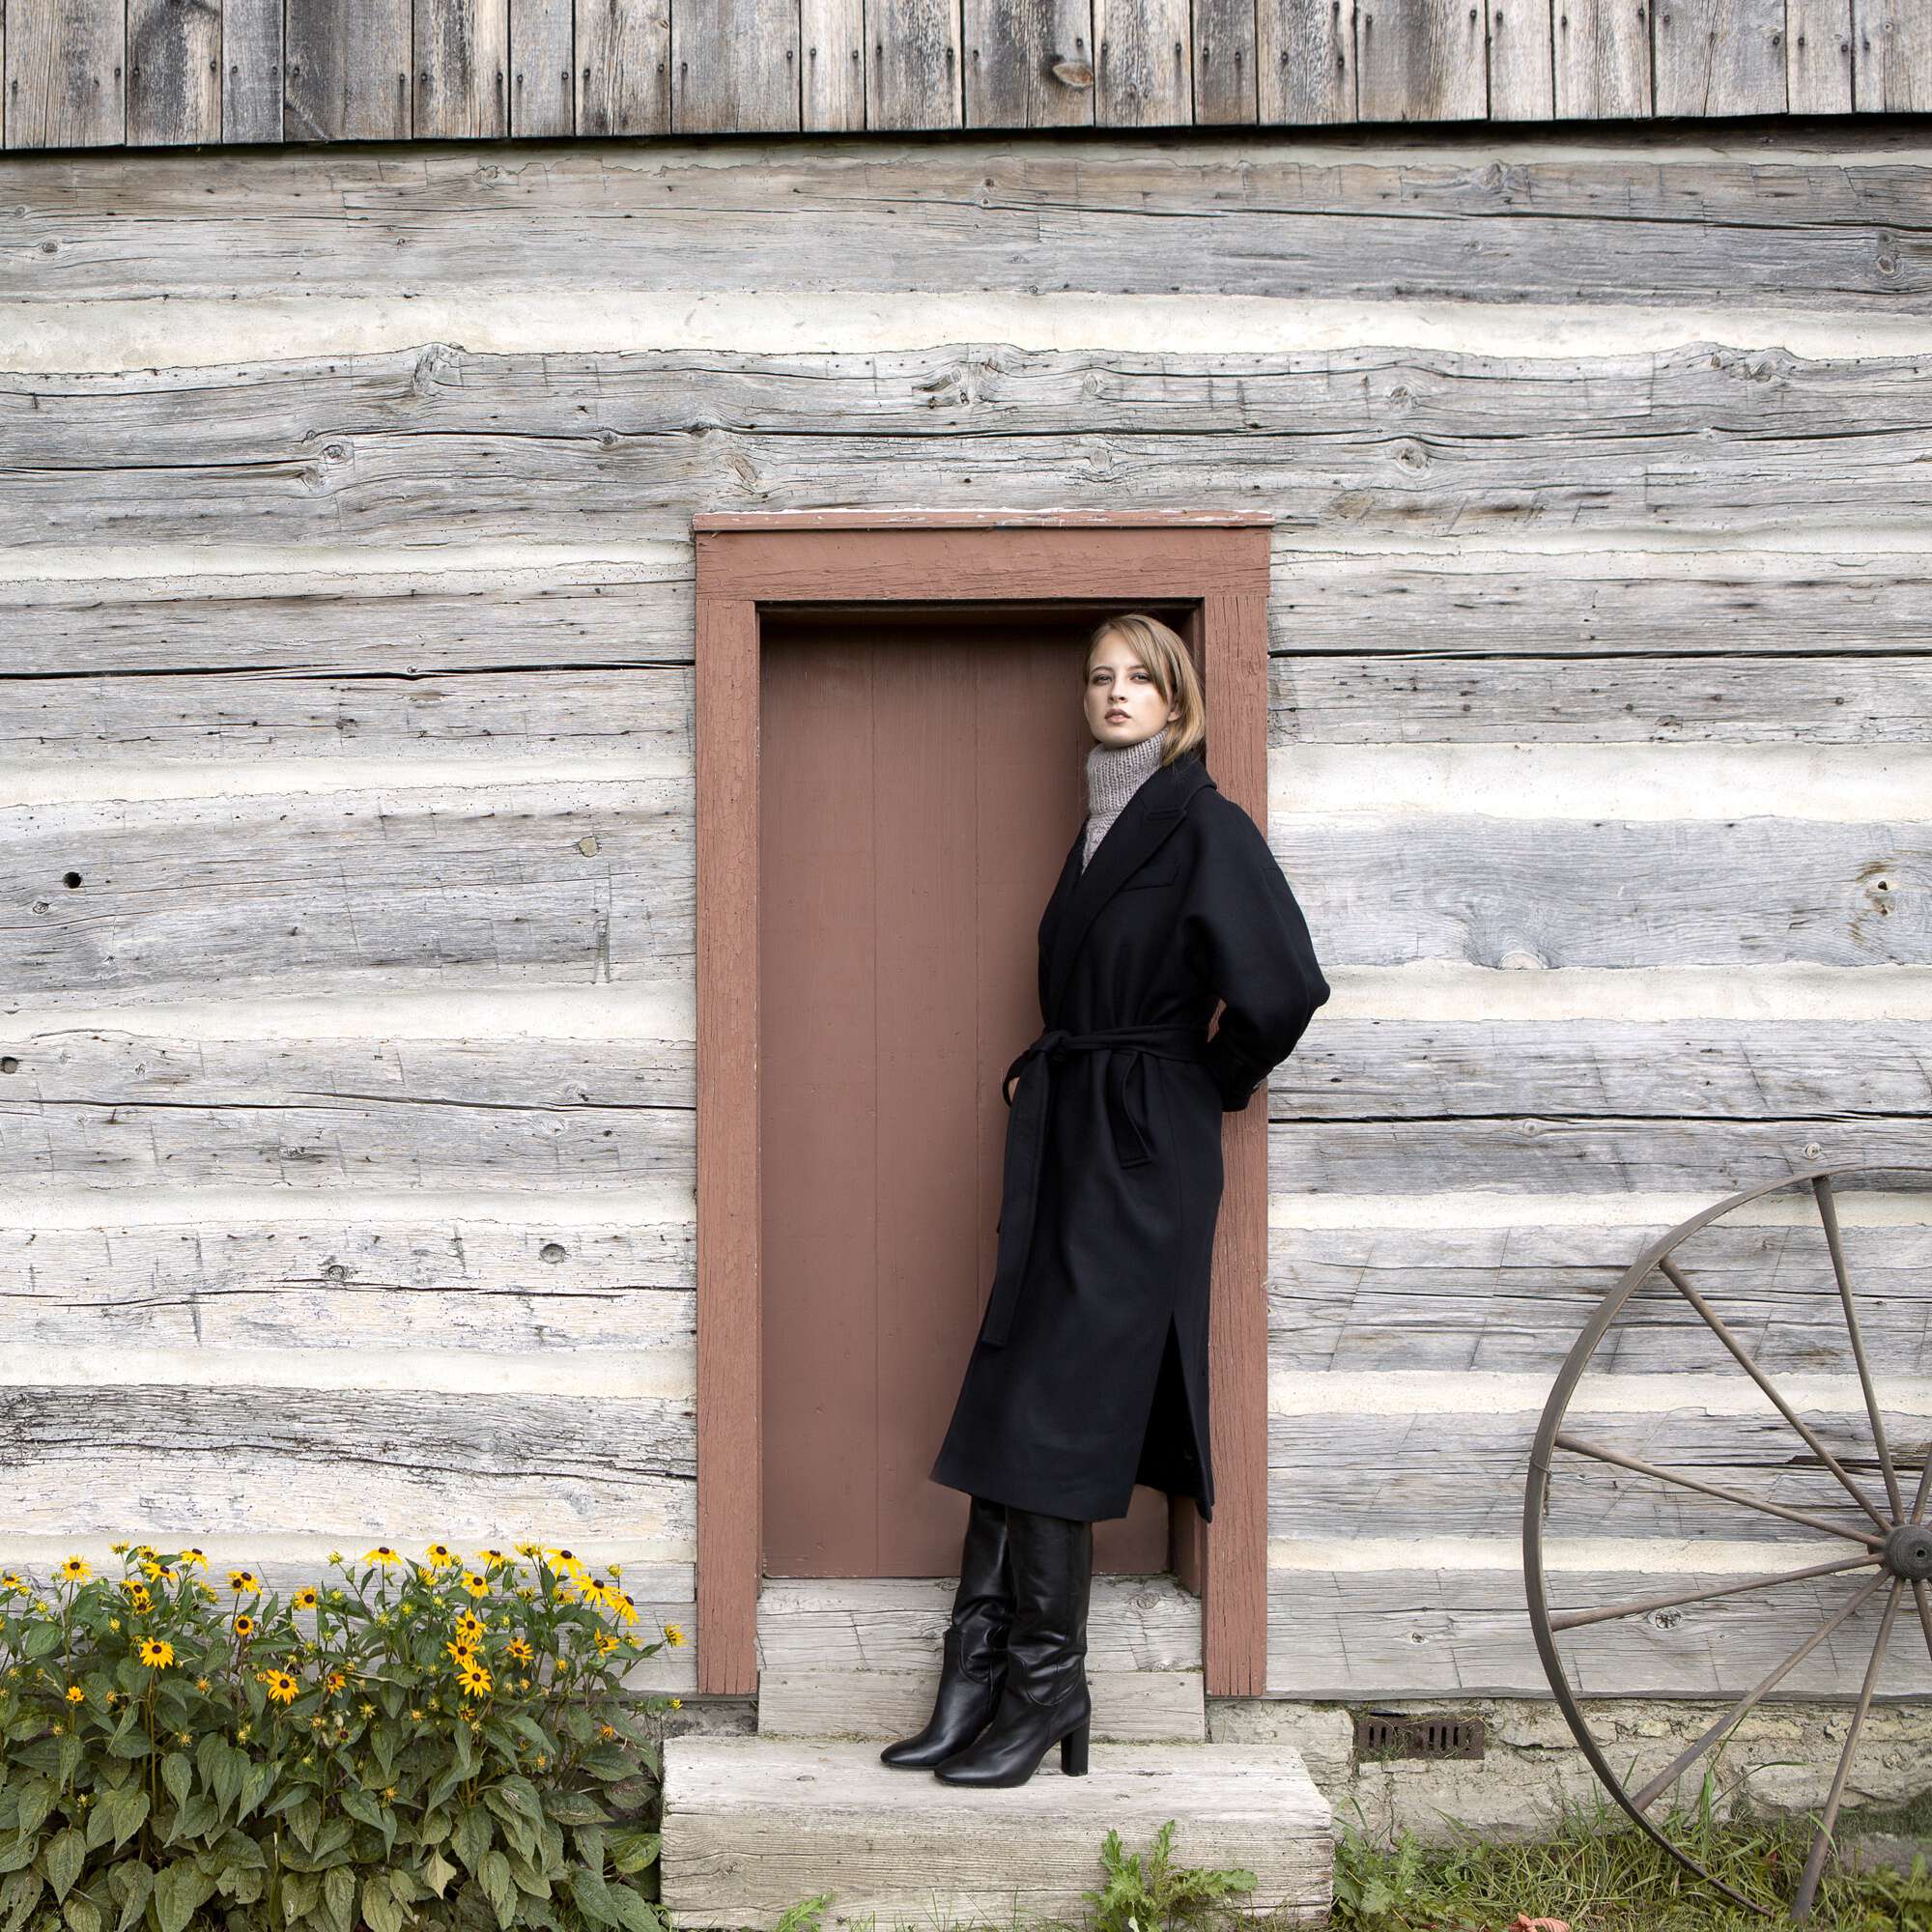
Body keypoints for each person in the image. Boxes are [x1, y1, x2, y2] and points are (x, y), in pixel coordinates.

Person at [880, 611, 1332, 1788]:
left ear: (1177, 701)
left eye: (1140, 677)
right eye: (1098, 677)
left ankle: (1045, 1684)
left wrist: (1202, 1080)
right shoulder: (1101, 826)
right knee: (1016, 1384)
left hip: (1138, 1150)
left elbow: (1283, 986)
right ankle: (980, 1671)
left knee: (1054, 1404)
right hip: (1071, 1133)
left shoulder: (1202, 822)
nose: (1115, 692)